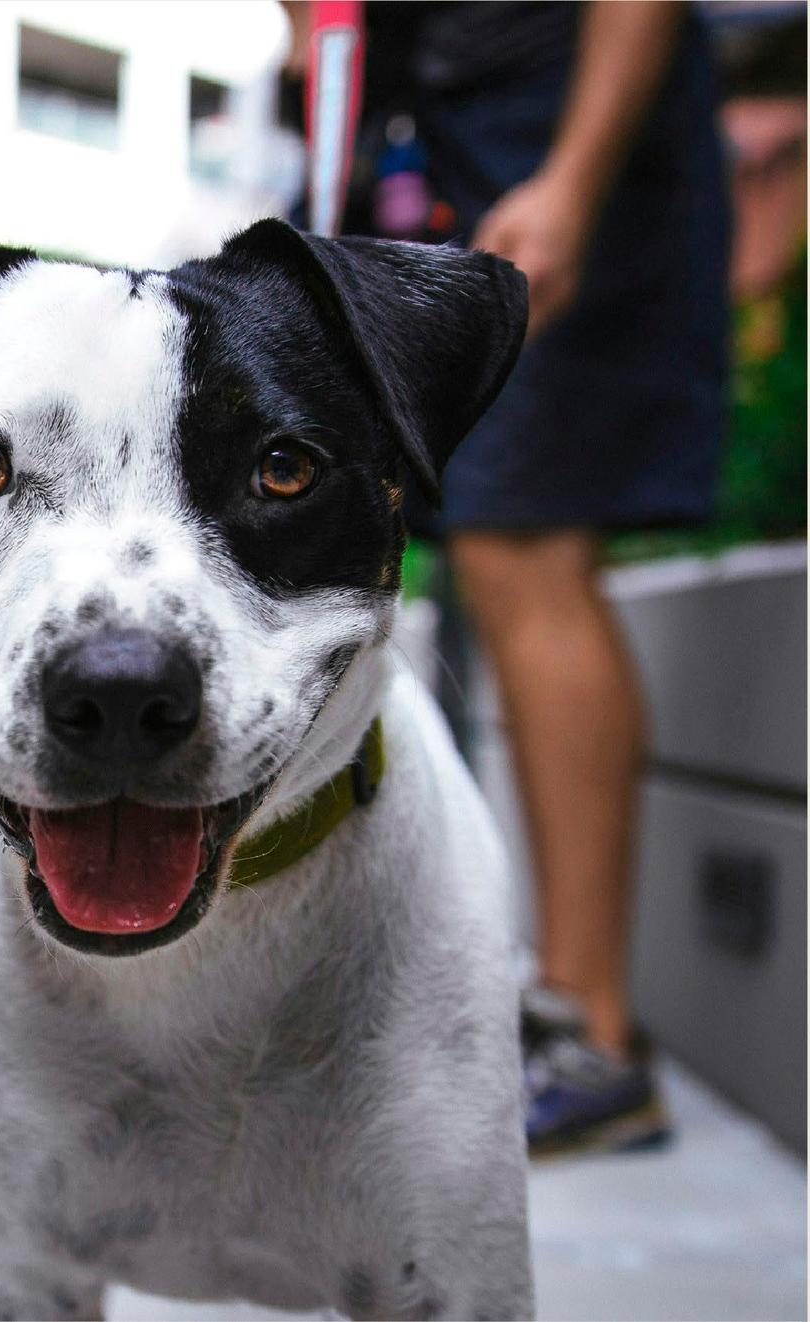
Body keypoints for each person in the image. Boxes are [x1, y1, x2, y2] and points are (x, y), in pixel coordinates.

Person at [293, 1, 731, 1157]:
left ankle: (594, 1039)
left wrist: (576, 180)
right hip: (425, 129)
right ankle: (480, 1002)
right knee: (406, 530)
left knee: (522, 542)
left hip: (565, 131)